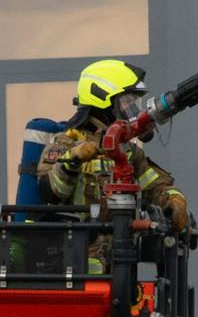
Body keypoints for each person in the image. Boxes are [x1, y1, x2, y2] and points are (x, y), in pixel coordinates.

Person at [30, 59, 189, 231]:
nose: (133, 109)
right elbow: (50, 193)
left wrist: (174, 200)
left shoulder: (127, 151)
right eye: (127, 101)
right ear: (102, 100)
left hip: (123, 249)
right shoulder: (67, 143)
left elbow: (156, 186)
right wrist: (73, 159)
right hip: (80, 249)